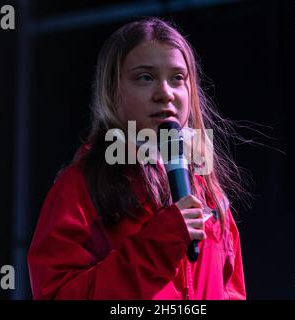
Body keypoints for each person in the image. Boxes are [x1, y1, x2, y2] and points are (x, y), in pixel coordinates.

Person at [27, 17, 248, 300]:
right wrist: (158, 245)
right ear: (112, 90)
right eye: (145, 77)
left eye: (178, 78)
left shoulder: (209, 191)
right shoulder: (81, 187)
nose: (165, 93)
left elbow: (231, 291)